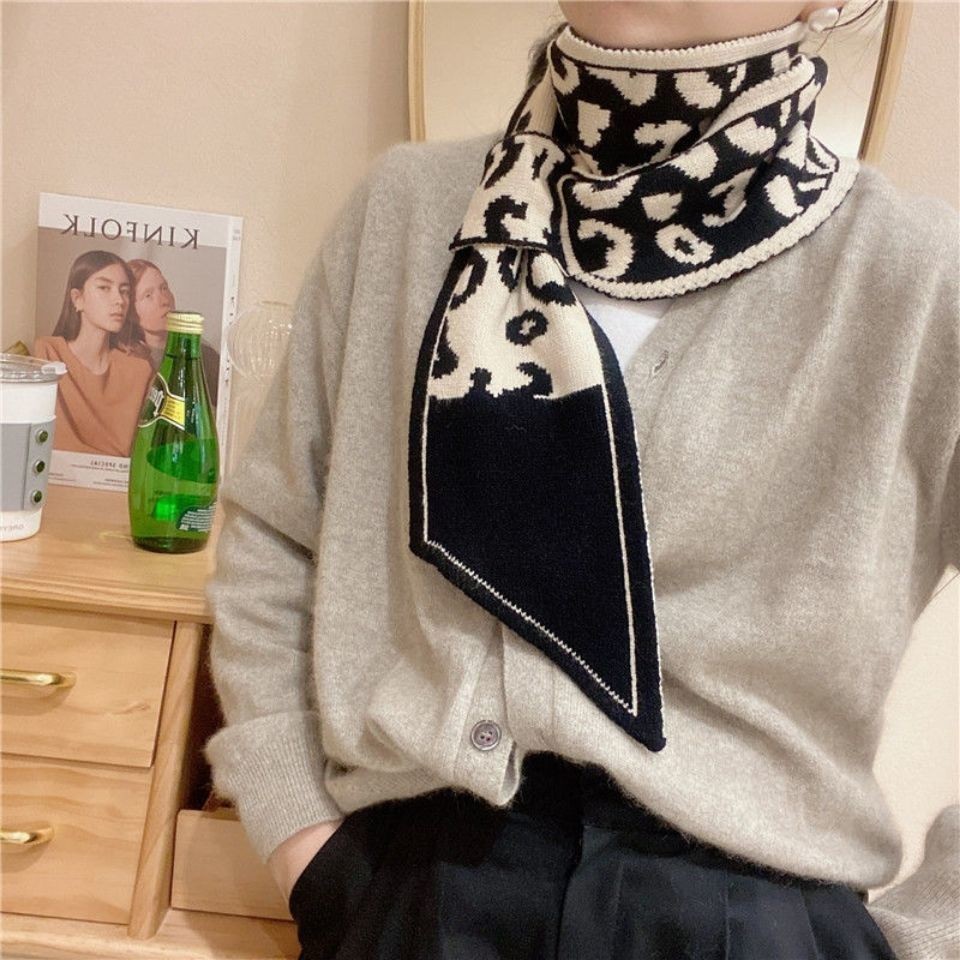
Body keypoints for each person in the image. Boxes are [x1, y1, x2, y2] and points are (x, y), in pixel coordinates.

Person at [204, 2, 959, 958]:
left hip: (745, 918)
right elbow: (279, 532)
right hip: (415, 893)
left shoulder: (919, 279)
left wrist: (929, 939)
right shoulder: (405, 212)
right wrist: (303, 841)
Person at [33, 250, 154, 456]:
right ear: (77, 298)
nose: (119, 300)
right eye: (104, 288)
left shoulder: (139, 371)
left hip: (121, 477)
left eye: (125, 291)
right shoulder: (47, 352)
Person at [127, 258, 221, 407]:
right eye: (148, 295)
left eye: (164, 288)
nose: (164, 301)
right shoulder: (125, 362)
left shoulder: (203, 356)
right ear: (131, 311)